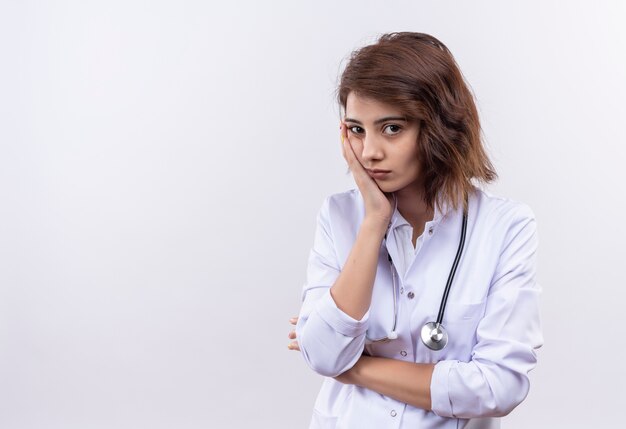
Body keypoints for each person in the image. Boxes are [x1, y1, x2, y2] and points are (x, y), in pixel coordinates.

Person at [286, 32, 543, 429]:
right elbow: (322, 356)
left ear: (440, 126)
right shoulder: (339, 216)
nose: (370, 151)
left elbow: (499, 386)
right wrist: (373, 224)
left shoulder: (505, 227)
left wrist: (354, 369)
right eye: (356, 129)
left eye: (391, 128)